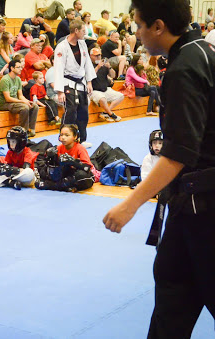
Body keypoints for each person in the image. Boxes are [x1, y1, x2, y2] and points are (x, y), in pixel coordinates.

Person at [103, 1, 215, 338]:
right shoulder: (203, 51)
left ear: (158, 26)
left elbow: (178, 153)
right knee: (172, 290)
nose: (136, 33)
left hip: (205, 209)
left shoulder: (186, 68)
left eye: (138, 25)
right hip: (189, 207)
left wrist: (130, 203)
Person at [54, 19, 96, 148]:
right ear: (76, 31)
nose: (85, 33)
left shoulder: (82, 44)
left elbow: (88, 63)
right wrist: (60, 91)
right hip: (67, 83)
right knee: (71, 111)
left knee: (83, 111)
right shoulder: (62, 47)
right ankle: (63, 139)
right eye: (83, 31)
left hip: (81, 82)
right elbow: (58, 68)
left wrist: (89, 82)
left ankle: (81, 140)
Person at [35, 124, 96, 191]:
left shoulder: (80, 148)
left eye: (67, 135)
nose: (63, 137)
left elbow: (87, 168)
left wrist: (73, 161)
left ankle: (51, 185)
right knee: (44, 171)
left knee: (81, 176)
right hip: (66, 175)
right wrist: (50, 158)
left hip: (79, 175)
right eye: (61, 135)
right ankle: (63, 186)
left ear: (75, 137)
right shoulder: (59, 148)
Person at [0, 59, 39, 137]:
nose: (21, 69)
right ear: (12, 68)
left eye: (21, 67)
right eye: (18, 67)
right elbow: (8, 98)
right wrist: (23, 102)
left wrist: (27, 101)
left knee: (34, 105)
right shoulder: (5, 80)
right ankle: (23, 131)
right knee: (24, 107)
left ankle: (31, 129)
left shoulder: (18, 79)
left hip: (14, 102)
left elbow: (20, 96)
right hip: (5, 104)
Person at [89, 47, 123, 122]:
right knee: (102, 99)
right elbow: (90, 76)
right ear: (91, 56)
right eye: (96, 55)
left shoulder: (104, 65)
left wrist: (110, 67)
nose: (98, 57)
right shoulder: (88, 65)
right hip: (94, 91)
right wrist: (98, 67)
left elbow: (113, 76)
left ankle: (105, 112)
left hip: (105, 89)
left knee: (120, 96)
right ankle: (111, 114)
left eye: (99, 55)